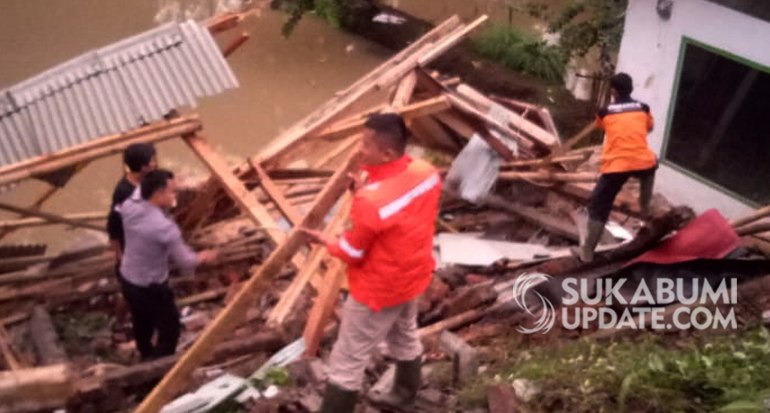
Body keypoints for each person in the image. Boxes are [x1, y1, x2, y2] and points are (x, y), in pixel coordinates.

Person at [301, 113, 442, 413]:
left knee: (347, 360)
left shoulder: (371, 202)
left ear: (387, 152)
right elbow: (398, 216)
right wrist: (363, 191)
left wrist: (325, 241)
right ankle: (404, 394)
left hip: (377, 290)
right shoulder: (426, 172)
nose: (360, 150)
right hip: (412, 276)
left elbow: (352, 253)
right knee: (404, 335)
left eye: (366, 145)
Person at [120, 169, 218, 361]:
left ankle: (145, 352)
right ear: (157, 194)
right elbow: (186, 262)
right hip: (151, 287)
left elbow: (143, 188)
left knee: (141, 320)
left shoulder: (130, 205)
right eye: (172, 192)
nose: (176, 195)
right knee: (170, 328)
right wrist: (205, 256)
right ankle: (159, 369)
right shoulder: (164, 227)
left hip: (128, 278)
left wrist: (170, 181)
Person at [574, 72, 658, 262]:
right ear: (631, 89)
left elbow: (602, 126)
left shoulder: (605, 112)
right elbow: (649, 127)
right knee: (652, 164)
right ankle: (644, 211)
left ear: (613, 91)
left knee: (598, 204)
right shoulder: (643, 108)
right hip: (642, 163)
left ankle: (587, 252)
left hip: (616, 166)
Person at [107, 143, 158, 267]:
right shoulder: (123, 192)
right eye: (152, 161)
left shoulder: (149, 180)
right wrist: (120, 255)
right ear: (142, 166)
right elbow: (114, 223)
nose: (155, 163)